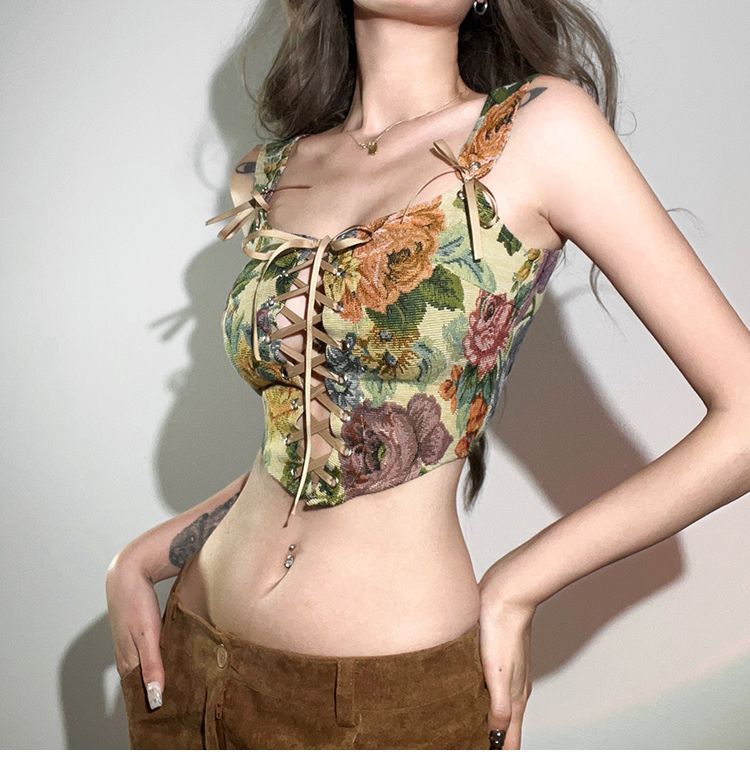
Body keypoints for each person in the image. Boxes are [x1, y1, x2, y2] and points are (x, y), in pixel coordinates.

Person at [105, 0, 750, 750]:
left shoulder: (539, 130)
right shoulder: (272, 171)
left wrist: (516, 587)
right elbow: (305, 443)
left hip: (384, 703)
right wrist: (141, 559)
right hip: (190, 663)